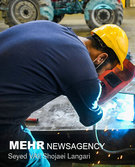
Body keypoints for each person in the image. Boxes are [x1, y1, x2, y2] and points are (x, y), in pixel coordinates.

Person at [0, 20, 128, 167]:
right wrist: (99, 103)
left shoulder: (53, 27)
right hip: (2, 125)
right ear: (101, 58)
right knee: (38, 162)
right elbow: (90, 118)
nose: (102, 74)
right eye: (106, 70)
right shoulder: (84, 73)